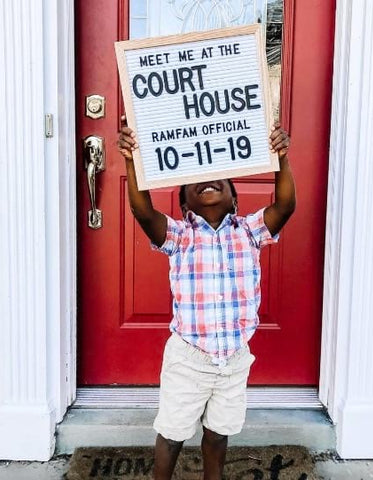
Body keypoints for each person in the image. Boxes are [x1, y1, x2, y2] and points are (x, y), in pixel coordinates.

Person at [118, 115, 296, 480]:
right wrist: (133, 159)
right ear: (184, 204)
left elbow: (285, 206)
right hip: (189, 358)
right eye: (195, 181)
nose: (207, 181)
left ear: (234, 199)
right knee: (172, 434)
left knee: (218, 434)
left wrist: (281, 158)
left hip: (234, 358)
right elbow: (142, 209)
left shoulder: (248, 231)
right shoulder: (180, 236)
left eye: (219, 180)